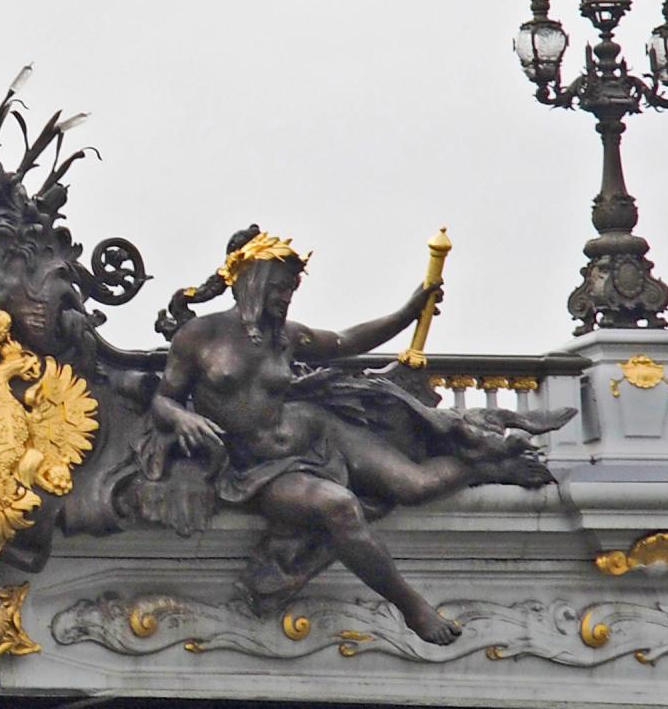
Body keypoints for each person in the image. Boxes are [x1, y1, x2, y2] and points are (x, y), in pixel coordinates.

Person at [144, 226, 570, 645]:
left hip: (317, 432)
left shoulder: (285, 336)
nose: (285, 298)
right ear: (252, 281)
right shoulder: (200, 335)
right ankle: (413, 607)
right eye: (278, 288)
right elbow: (164, 399)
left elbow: (346, 341)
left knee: (415, 485)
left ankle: (488, 463)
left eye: (290, 290)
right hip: (260, 472)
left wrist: (408, 312)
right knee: (341, 507)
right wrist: (183, 419)